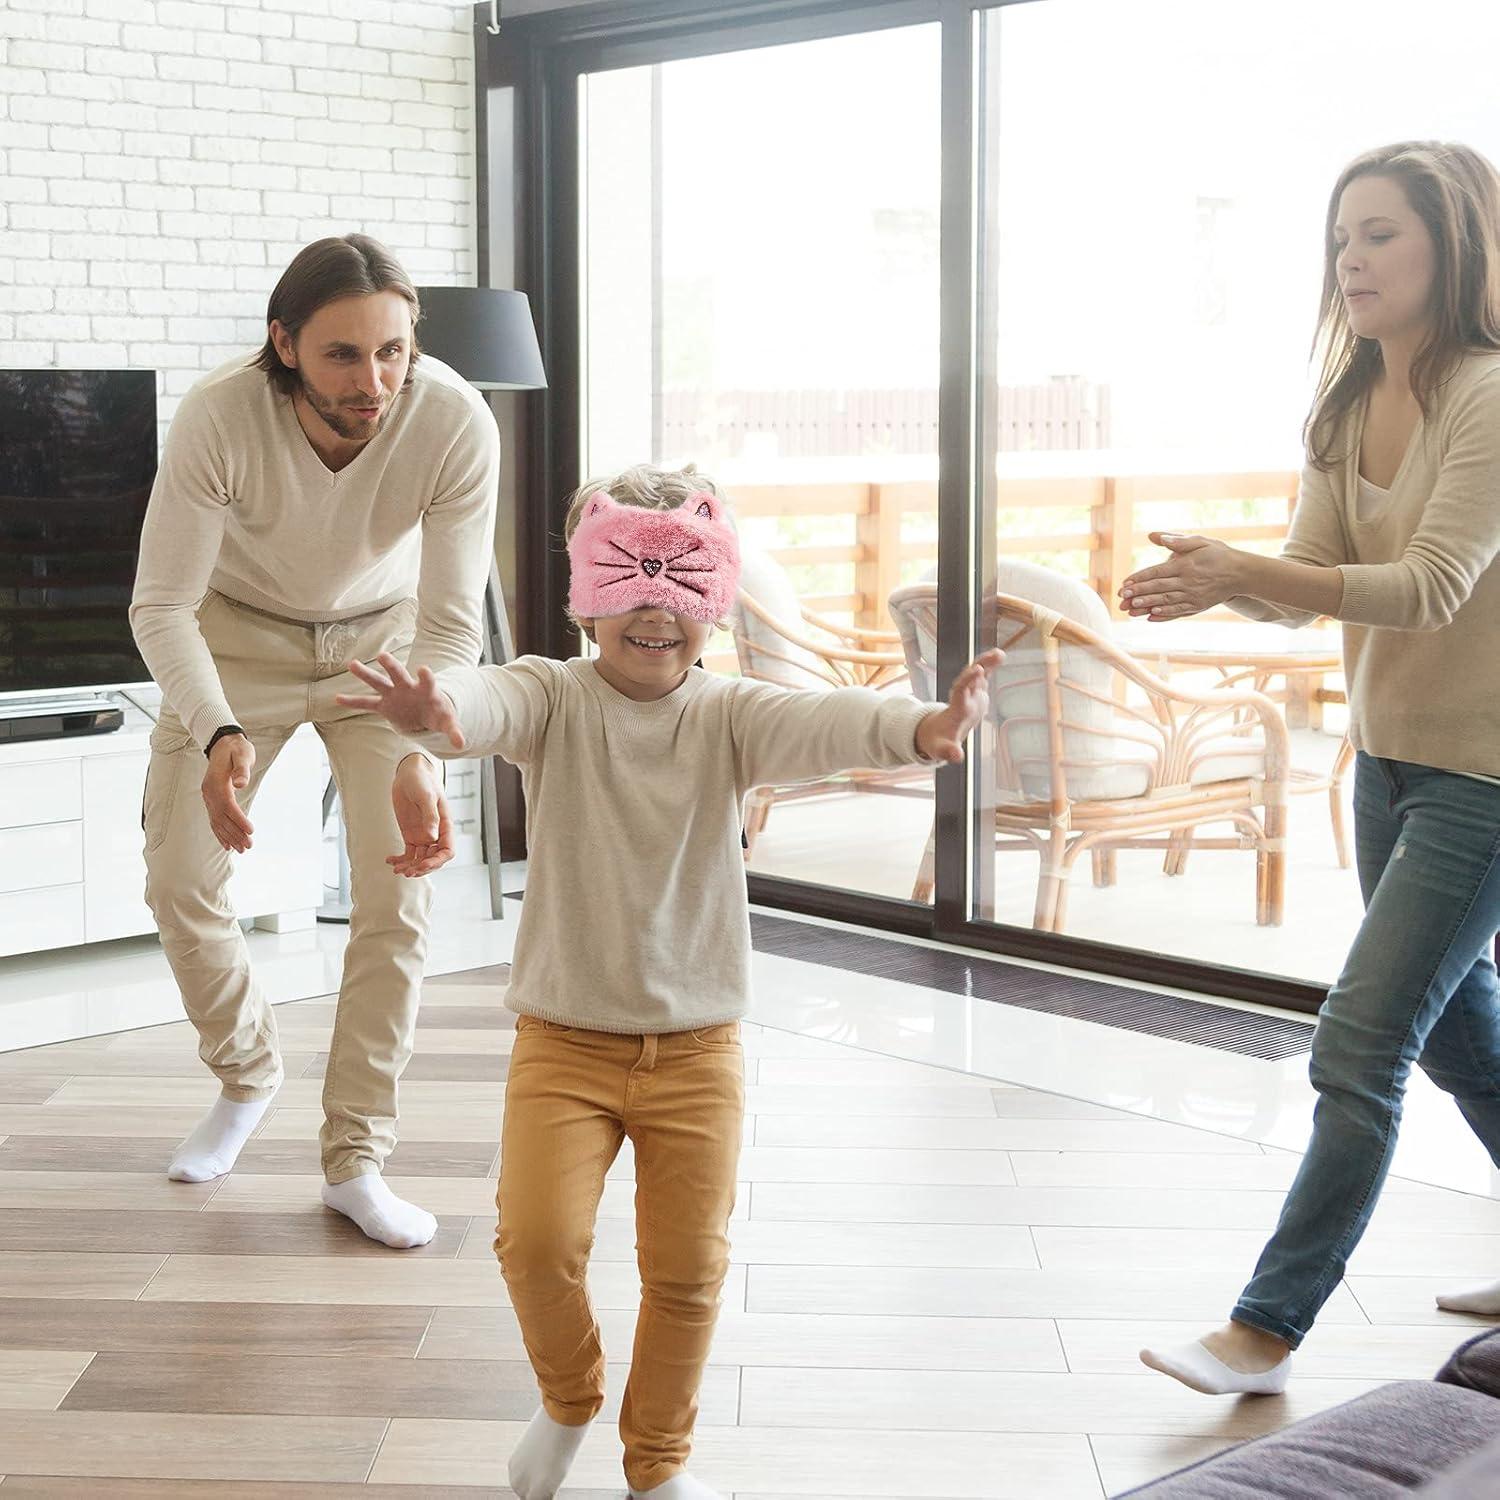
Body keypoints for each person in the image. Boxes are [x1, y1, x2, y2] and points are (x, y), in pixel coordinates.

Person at [337, 464, 1002, 1499]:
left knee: (688, 1273)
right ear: (585, 595)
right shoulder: (553, 696)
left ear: (716, 597)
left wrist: (920, 727)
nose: (656, 607)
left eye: (683, 581)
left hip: (699, 1047)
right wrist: (435, 714)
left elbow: (824, 720)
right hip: (564, 1038)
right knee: (535, 1245)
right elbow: (480, 704)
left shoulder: (730, 714)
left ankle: (657, 1465)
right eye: (628, 578)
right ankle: (569, 1400)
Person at [1122, 141, 1500, 1394]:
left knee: (1359, 1043)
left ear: (1455, 245)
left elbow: (1429, 587)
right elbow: (1308, 584)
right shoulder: (1343, 406)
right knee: (1461, 1036)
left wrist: (1248, 570)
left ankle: (1265, 1329)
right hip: (1385, 761)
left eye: (1382, 234)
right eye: (1342, 236)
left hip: (1485, 777)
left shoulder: (1490, 395)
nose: (1352, 258)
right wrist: (1217, 584)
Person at [129, 234, 499, 1249]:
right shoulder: (220, 416)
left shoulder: (453, 419)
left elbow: (452, 620)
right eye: (343, 354)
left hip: (382, 653)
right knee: (179, 879)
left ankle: (356, 1159)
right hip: (234, 643)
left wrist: (422, 751)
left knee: (399, 896)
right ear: (284, 342)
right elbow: (161, 604)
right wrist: (217, 729)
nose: (373, 381)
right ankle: (246, 1075)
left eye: (393, 351)